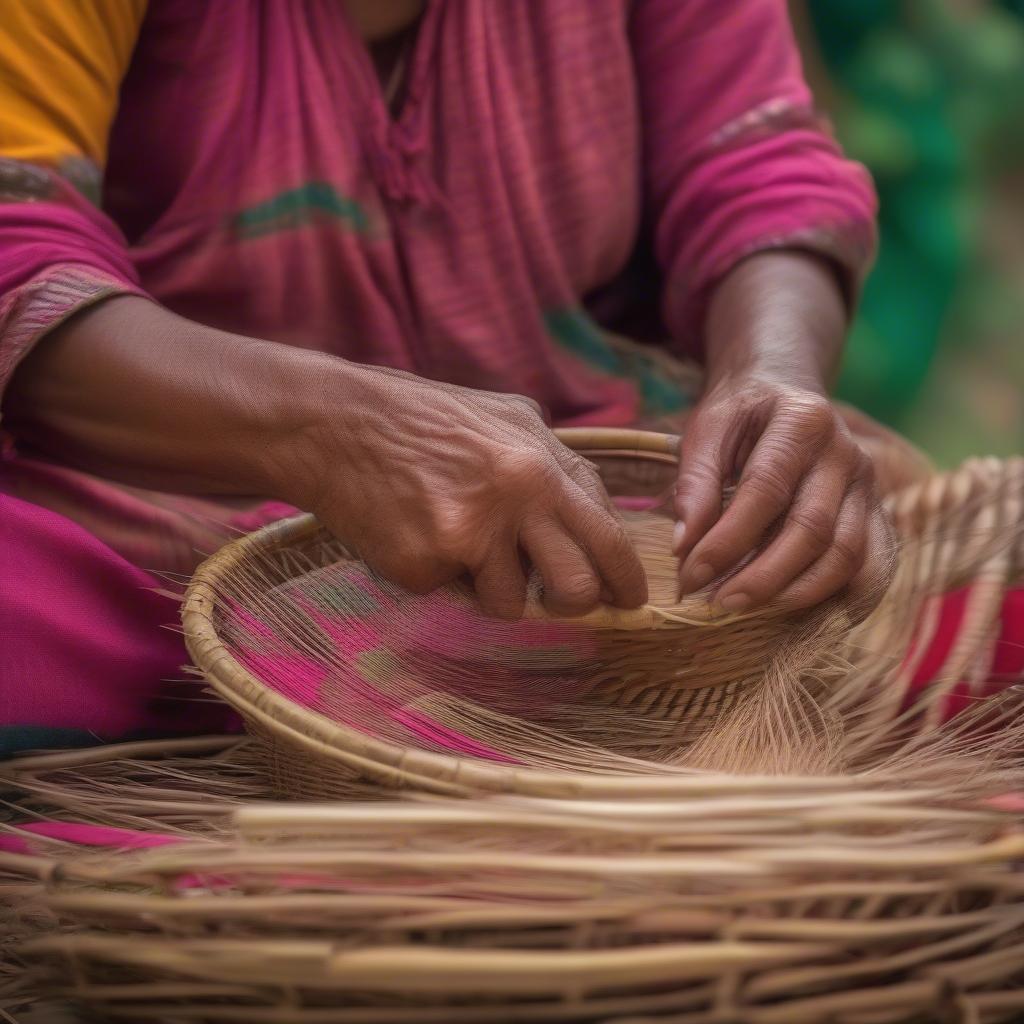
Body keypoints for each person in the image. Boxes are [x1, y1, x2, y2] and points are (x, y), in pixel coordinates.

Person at [0, 0, 896, 754]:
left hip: (593, 521)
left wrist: (771, 374)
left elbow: (752, 167)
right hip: (141, 539)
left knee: (963, 589)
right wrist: (332, 429)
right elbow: (18, 245)